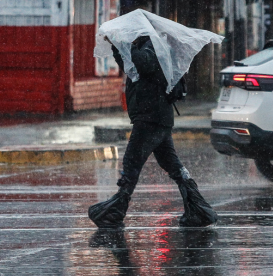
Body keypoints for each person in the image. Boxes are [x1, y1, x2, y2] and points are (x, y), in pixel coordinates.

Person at [88, 36, 217, 228]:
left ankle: (114, 212)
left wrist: (123, 44)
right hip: (156, 117)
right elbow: (131, 68)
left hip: (151, 117)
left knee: (132, 162)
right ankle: (198, 210)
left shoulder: (154, 46)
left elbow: (144, 64)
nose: (130, 35)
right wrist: (117, 47)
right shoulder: (146, 46)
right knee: (172, 165)